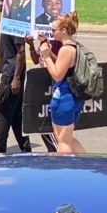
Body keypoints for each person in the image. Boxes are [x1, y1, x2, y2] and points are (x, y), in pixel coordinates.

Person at [37, 11, 85, 153]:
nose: (51, 33)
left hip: (64, 97)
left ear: (63, 30)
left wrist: (45, 56)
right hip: (74, 97)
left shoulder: (66, 49)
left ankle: (64, 170)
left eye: (53, 30)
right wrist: (47, 47)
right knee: (68, 139)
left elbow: (57, 74)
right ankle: (85, 163)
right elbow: (63, 64)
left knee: (62, 140)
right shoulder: (74, 46)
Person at [0, 0, 32, 154]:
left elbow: (21, 51)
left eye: (2, 0)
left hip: (12, 73)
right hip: (13, 72)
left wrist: (15, 79)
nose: (0, 3)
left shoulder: (16, 21)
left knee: (2, 111)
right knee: (15, 115)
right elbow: (3, 29)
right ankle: (25, 148)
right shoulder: (9, 20)